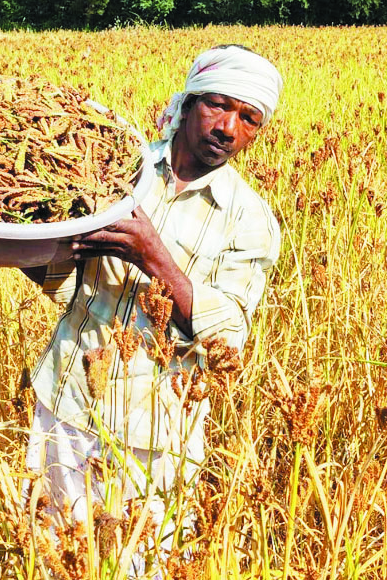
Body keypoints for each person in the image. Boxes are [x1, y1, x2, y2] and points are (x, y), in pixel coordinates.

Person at [19, 44, 283, 567]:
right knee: (55, 557)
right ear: (188, 103)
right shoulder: (117, 171)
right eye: (218, 105)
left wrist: (152, 255)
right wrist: (9, 242)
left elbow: (226, 340)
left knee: (143, 566)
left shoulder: (250, 220)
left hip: (157, 434)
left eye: (248, 118)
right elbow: (63, 281)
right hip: (67, 403)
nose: (228, 128)